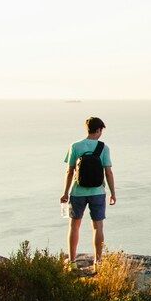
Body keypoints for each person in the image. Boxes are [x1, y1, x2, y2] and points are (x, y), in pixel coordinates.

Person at [60, 116, 116, 271]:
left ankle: (72, 262)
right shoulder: (104, 148)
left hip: (77, 192)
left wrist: (65, 193)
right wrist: (113, 193)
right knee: (98, 227)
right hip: (98, 192)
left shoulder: (75, 146)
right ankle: (98, 263)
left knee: (74, 225)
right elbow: (109, 172)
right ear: (98, 130)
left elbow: (70, 171)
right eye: (101, 131)